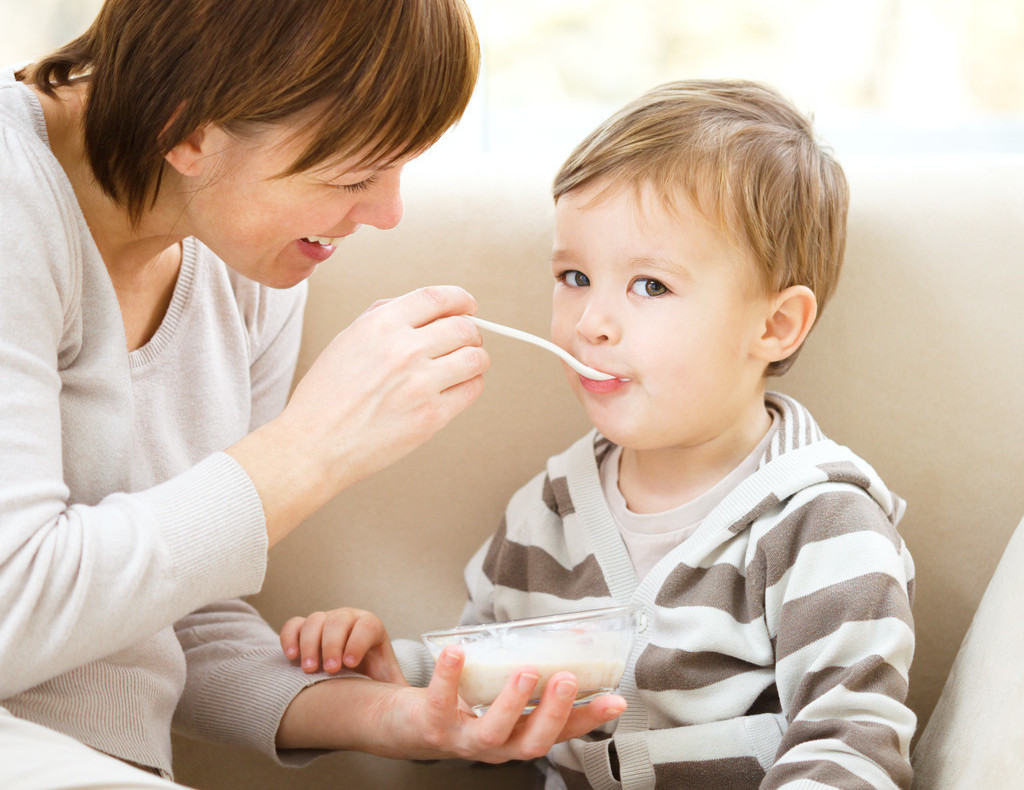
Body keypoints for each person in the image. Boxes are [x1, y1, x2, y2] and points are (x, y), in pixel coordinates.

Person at [0, 0, 626, 787]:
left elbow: (166, 609)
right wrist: (310, 450)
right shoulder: (14, 202)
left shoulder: (246, 257)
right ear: (186, 128)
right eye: (354, 175)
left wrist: (397, 717)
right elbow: (12, 607)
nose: (388, 213)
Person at [283, 80, 918, 789]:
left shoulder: (823, 527)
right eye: (575, 276)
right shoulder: (546, 514)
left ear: (774, 326)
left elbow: (852, 744)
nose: (591, 323)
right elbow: (488, 694)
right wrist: (392, 671)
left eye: (650, 286)